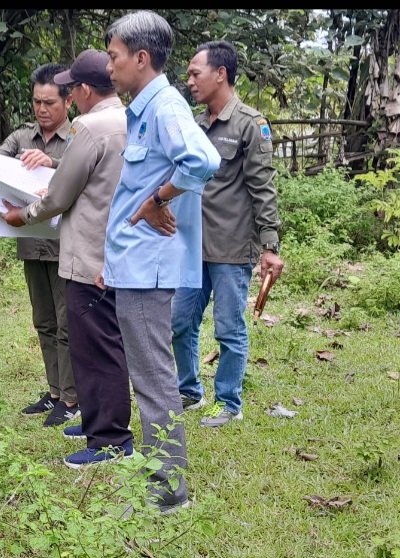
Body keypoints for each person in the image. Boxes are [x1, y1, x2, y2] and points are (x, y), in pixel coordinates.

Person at [96, 10, 221, 513]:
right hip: (136, 262)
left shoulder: (166, 107)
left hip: (149, 266)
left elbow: (203, 161)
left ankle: (168, 488)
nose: (110, 67)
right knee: (150, 371)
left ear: (140, 58)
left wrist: (157, 201)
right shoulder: (146, 109)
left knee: (152, 375)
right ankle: (161, 476)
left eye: (114, 56)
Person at [0, 49, 131, 464]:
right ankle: (94, 422)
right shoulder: (127, 119)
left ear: (84, 91)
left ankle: (110, 440)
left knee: (96, 347)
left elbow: (58, 196)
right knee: (96, 344)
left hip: (88, 254)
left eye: (69, 90)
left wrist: (23, 215)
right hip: (112, 251)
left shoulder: (90, 128)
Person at [172, 40, 284, 427]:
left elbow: (263, 187)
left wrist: (270, 244)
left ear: (221, 74)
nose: (189, 81)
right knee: (179, 321)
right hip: (192, 245)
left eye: (195, 73)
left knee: (228, 328)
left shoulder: (250, 124)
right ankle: (188, 391)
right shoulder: (195, 124)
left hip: (232, 247)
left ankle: (229, 402)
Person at [0, 64, 80, 427]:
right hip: (32, 240)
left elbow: (91, 170)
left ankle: (73, 398)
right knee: (44, 320)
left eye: (49, 102)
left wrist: (53, 162)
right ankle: (54, 392)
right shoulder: (21, 137)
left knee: (67, 323)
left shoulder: (79, 136)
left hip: (67, 243)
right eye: (36, 102)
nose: (42, 109)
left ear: (68, 100)